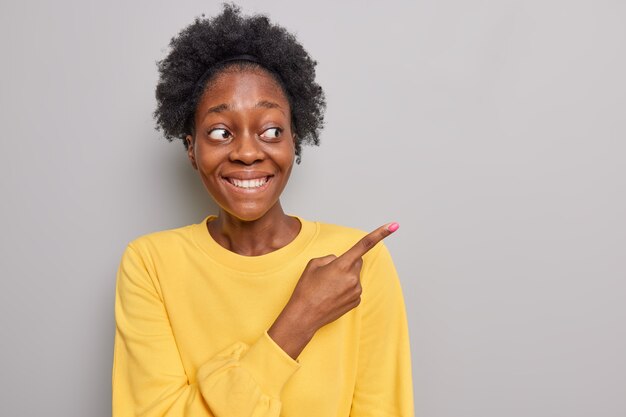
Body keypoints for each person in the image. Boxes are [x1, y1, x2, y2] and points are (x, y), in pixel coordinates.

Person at [112, 4, 414, 416]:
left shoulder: (357, 264)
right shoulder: (150, 264)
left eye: (271, 130)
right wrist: (298, 320)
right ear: (191, 150)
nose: (248, 152)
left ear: (295, 140)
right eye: (220, 132)